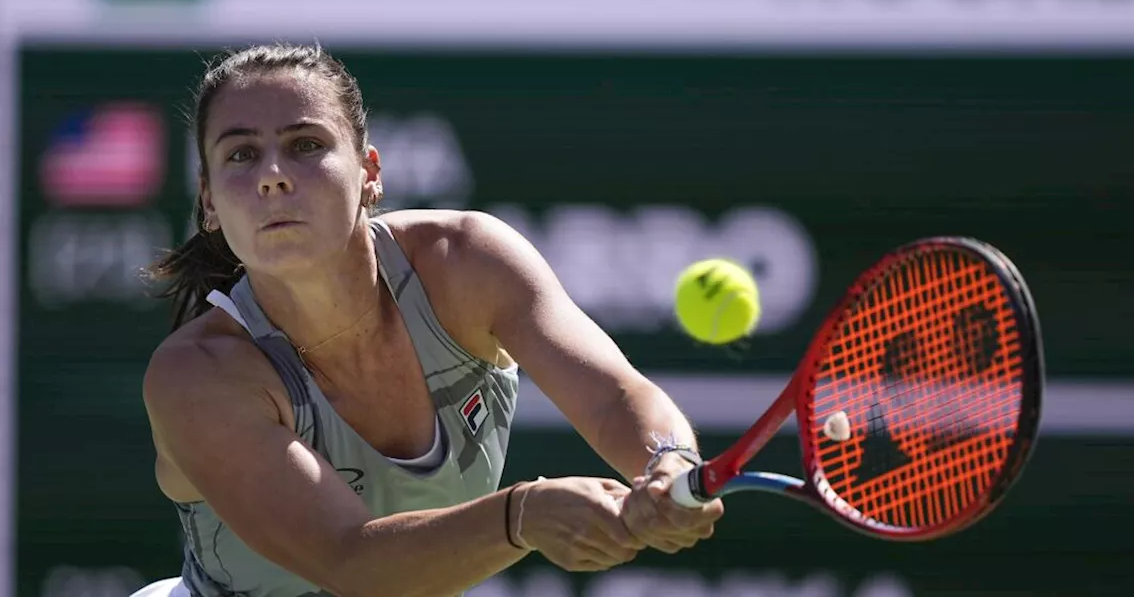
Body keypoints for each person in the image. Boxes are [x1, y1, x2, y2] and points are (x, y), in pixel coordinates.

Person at [133, 43, 724, 597]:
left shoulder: (468, 262)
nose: (273, 175)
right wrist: (522, 516)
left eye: (306, 145)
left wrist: (667, 462)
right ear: (209, 200)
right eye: (241, 155)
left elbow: (613, 395)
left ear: (369, 171)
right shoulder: (197, 375)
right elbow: (351, 563)